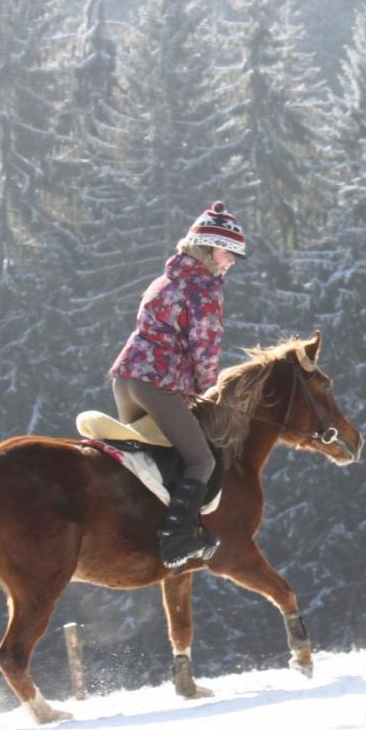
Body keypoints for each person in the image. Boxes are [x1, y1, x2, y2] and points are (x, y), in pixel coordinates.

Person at [108, 202, 246, 568]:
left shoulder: (164, 280)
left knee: (155, 455)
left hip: (125, 380)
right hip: (159, 385)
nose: (230, 261)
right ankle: (174, 540)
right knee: (200, 460)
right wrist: (208, 389)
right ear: (206, 248)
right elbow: (204, 345)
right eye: (226, 252)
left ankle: (143, 523)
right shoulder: (203, 288)